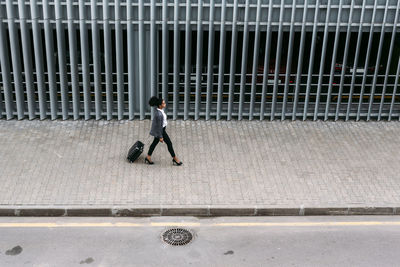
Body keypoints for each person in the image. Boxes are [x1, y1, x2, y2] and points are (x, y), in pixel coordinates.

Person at [145, 96, 183, 166]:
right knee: (169, 143)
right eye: (163, 103)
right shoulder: (159, 114)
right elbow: (159, 127)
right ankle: (175, 158)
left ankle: (148, 157)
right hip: (161, 131)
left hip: (161, 130)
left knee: (154, 143)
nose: (165, 104)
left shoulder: (160, 112)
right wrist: (160, 137)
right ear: (160, 105)